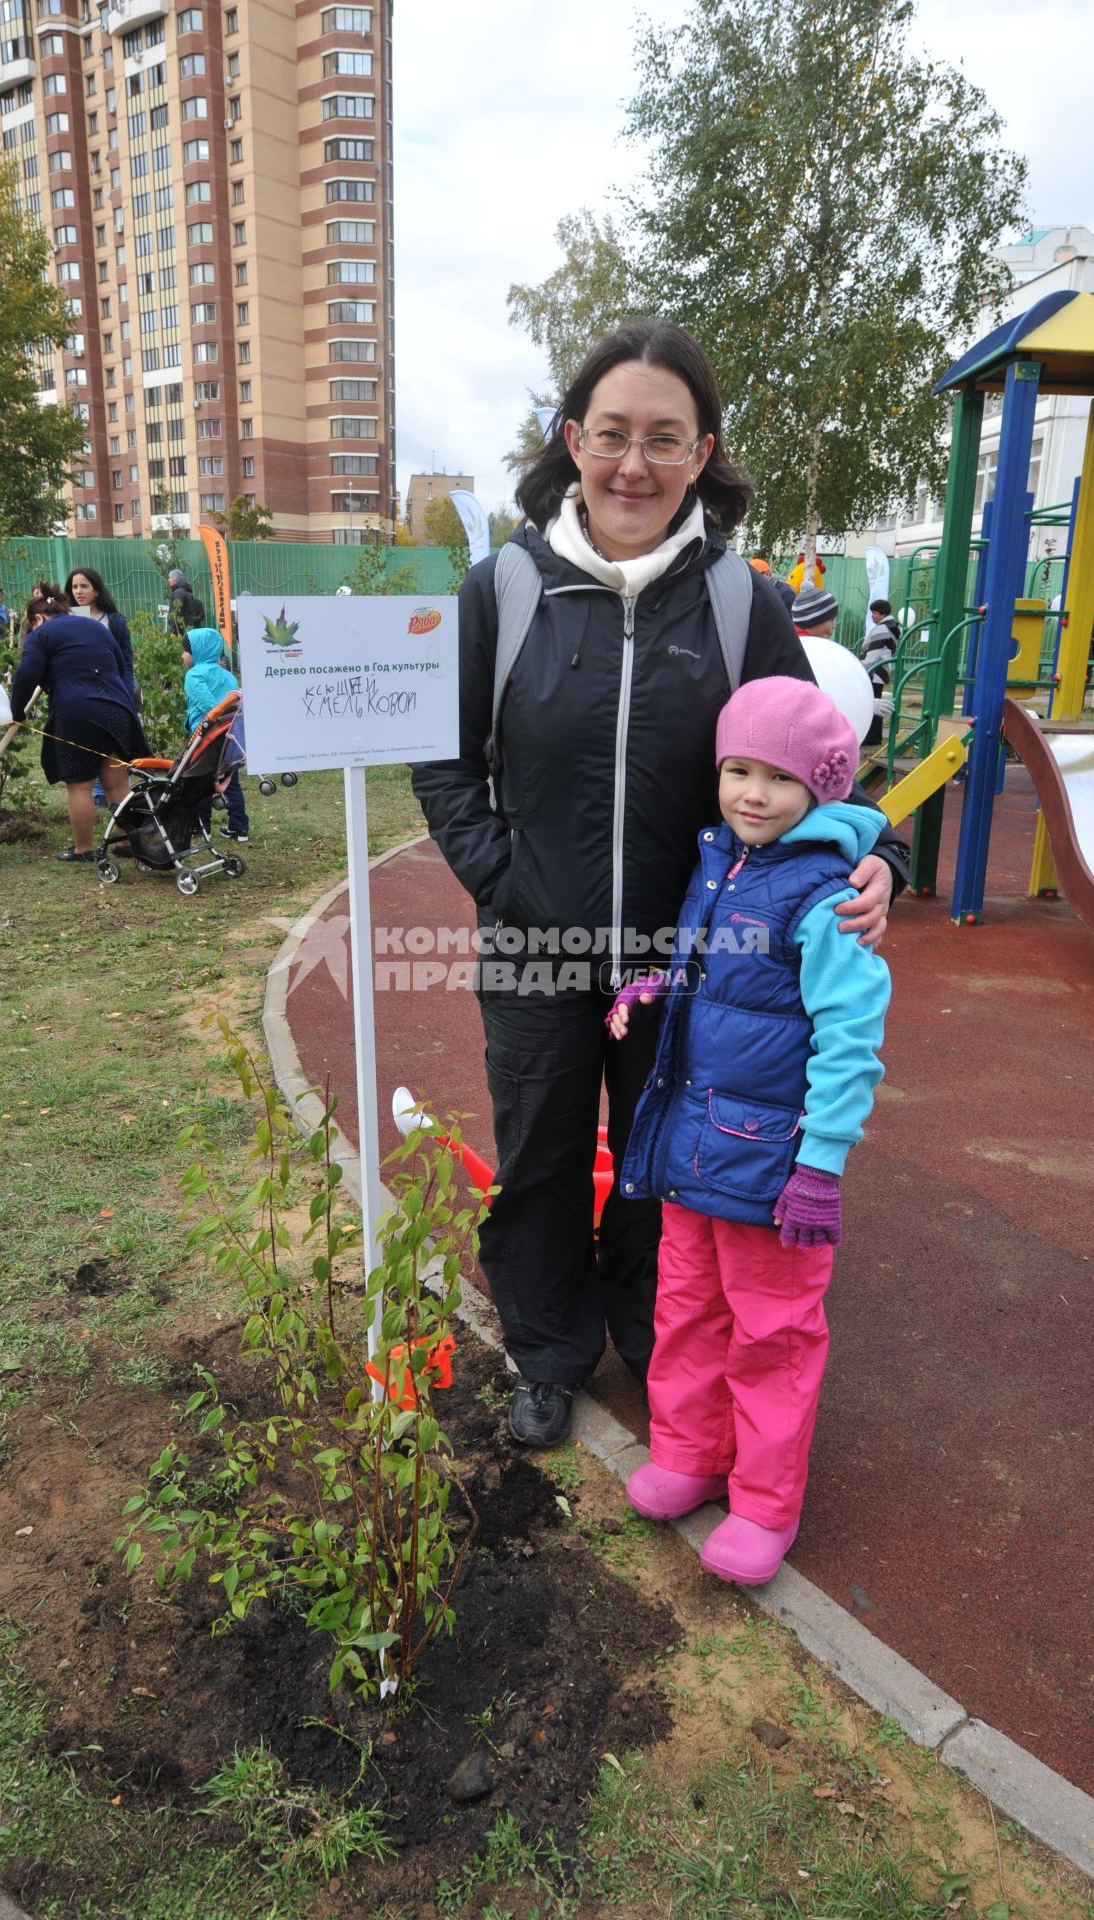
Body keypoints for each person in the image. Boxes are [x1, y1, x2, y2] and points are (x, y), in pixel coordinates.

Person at [410, 317, 907, 1449]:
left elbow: (815, 761)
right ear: (571, 439)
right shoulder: (503, 589)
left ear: (702, 452)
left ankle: (649, 1338)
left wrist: (878, 851)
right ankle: (545, 1347)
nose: (633, 464)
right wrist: (503, 879)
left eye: (663, 439)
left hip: (692, 958)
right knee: (537, 1149)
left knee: (659, 1159)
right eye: (613, 434)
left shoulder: (741, 604)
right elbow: (441, 759)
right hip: (533, 947)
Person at [613, 676, 890, 1586]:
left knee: (772, 1335)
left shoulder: (823, 899)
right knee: (685, 1309)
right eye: (736, 770)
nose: (750, 793)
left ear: (822, 787)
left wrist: (820, 1164)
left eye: (775, 777)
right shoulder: (724, 862)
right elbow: (715, 972)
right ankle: (689, 1454)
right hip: (696, 1150)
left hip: (773, 1169)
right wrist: (656, 986)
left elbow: (850, 1041)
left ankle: (766, 1502)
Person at [10, 583, 148, 863]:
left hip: (76, 712)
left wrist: (17, 712)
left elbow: (26, 675)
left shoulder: (42, 634)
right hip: (117, 708)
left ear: (37, 618)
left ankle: (83, 849)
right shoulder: (96, 627)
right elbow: (122, 668)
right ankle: (126, 841)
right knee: (117, 783)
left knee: (80, 784)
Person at [183, 625, 249, 842]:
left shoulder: (194, 675)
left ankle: (202, 827)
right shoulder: (228, 675)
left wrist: (215, 718)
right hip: (228, 735)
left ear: (198, 651)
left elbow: (209, 705)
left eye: (186, 651)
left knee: (199, 780)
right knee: (230, 779)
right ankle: (239, 827)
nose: (183, 655)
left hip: (205, 736)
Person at [65, 566, 137, 693]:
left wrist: (126, 692)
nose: (78, 591)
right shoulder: (67, 620)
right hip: (78, 690)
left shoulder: (114, 622)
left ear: (96, 590)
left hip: (109, 689)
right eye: (74, 587)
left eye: (84, 586)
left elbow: (126, 661)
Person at [860, 608, 898, 748]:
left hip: (874, 671)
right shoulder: (892, 627)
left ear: (883, 614)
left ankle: (870, 736)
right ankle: (875, 736)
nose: (872, 616)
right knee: (876, 701)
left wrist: (861, 670)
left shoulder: (882, 629)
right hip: (882, 671)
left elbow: (873, 654)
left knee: (870, 703)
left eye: (875, 613)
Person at [167, 568, 199, 636]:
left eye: (170, 578)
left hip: (180, 631)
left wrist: (173, 631)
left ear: (175, 579)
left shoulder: (179, 593)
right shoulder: (185, 592)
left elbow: (177, 612)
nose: (168, 580)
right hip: (186, 629)